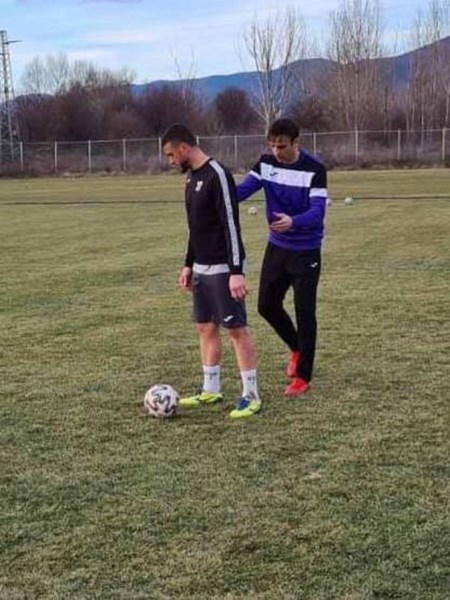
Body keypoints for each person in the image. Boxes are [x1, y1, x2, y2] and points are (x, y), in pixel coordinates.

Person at [161, 123, 261, 419]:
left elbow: (231, 224)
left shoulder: (218, 174)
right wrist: (188, 264)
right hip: (201, 268)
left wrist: (236, 271)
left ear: (184, 148)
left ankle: (251, 395)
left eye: (171, 155)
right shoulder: (191, 178)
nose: (170, 161)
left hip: (224, 267)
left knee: (236, 330)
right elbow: (194, 228)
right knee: (205, 327)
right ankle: (211, 389)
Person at [236, 118, 327, 396]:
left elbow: (317, 211)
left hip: (306, 251)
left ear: (295, 143)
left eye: (282, 146)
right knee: (266, 305)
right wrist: (216, 187)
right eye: (272, 145)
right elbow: (240, 192)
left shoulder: (315, 169)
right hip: (277, 247)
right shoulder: (266, 164)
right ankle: (297, 348)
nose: (276, 151)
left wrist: (293, 221)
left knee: (304, 312)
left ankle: (302, 376)